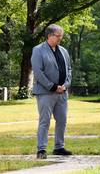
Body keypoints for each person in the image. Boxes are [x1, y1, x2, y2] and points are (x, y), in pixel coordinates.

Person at [31, 24, 72, 159]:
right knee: (45, 121)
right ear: (49, 35)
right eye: (58, 36)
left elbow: (69, 70)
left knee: (62, 120)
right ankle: (41, 149)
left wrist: (65, 85)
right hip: (45, 92)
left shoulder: (64, 51)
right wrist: (53, 86)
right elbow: (38, 72)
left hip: (62, 93)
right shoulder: (38, 50)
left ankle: (59, 147)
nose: (60, 38)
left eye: (61, 36)